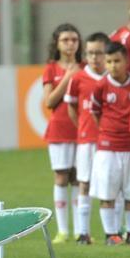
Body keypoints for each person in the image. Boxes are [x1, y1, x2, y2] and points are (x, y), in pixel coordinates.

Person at [89, 41, 130, 244]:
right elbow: (95, 112)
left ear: (127, 61)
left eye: (117, 61)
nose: (113, 65)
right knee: (108, 193)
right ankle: (110, 234)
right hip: (108, 148)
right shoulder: (101, 85)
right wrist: (107, 131)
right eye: (109, 61)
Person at [64, 31, 108, 245]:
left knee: (112, 186)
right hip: (87, 140)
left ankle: (115, 232)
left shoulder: (114, 77)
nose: (94, 58)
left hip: (112, 143)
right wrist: (81, 126)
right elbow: (72, 107)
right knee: (84, 183)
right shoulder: (78, 78)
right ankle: (83, 232)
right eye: (90, 53)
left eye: (98, 53)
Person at [42, 23, 81, 242]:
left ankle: (79, 230)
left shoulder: (84, 66)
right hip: (59, 128)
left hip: (80, 129)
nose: (70, 44)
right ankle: (63, 230)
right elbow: (49, 101)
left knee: (78, 178)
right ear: (57, 43)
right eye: (65, 40)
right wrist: (68, 77)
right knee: (61, 176)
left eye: (74, 40)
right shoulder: (51, 68)